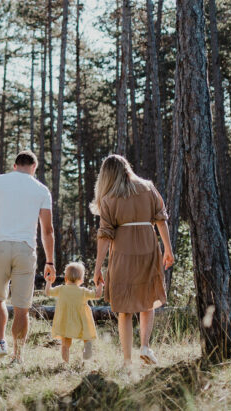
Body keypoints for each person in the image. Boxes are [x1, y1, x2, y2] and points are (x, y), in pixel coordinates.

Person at [91, 154, 174, 366]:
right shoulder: (148, 187)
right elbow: (161, 219)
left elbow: (104, 235)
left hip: (122, 252)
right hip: (148, 246)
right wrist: (168, 249)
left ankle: (127, 360)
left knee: (125, 309)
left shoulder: (109, 198)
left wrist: (98, 267)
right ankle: (145, 346)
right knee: (147, 301)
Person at [0, 150, 55, 363]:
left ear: (14, 166)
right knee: (22, 308)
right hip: (25, 249)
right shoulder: (41, 190)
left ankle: (1, 341)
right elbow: (48, 230)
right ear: (34, 168)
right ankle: (18, 356)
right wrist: (50, 261)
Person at [46, 261, 99, 364]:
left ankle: (66, 363)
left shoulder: (61, 289)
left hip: (65, 323)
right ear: (81, 280)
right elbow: (97, 295)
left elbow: (48, 292)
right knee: (86, 336)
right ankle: (87, 346)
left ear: (66, 278)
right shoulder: (83, 291)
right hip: (81, 321)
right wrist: (100, 284)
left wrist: (48, 281)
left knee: (65, 344)